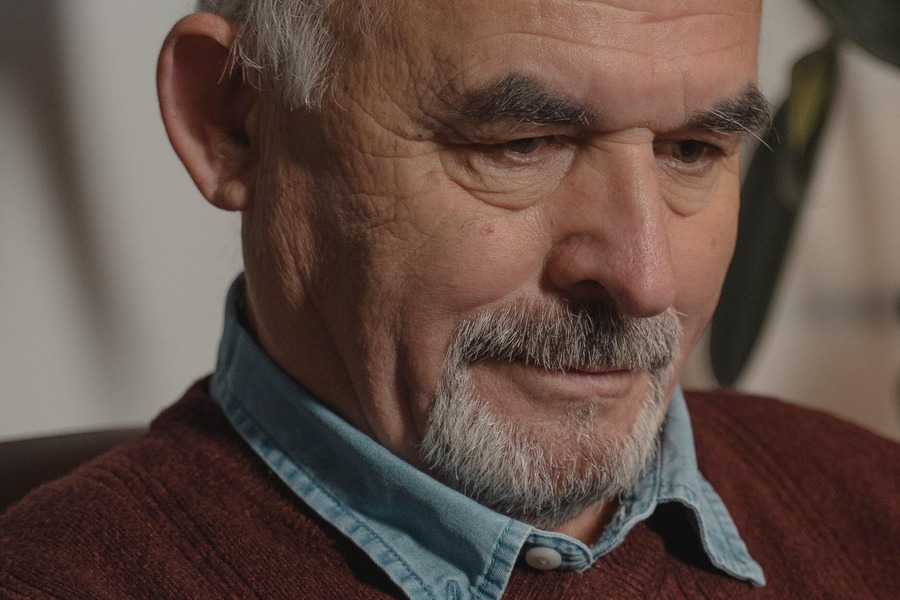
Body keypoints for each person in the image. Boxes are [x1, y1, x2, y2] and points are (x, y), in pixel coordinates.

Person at [1, 0, 897, 598]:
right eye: (523, 141)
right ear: (233, 121)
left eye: (694, 149)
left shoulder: (871, 505)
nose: (645, 277)